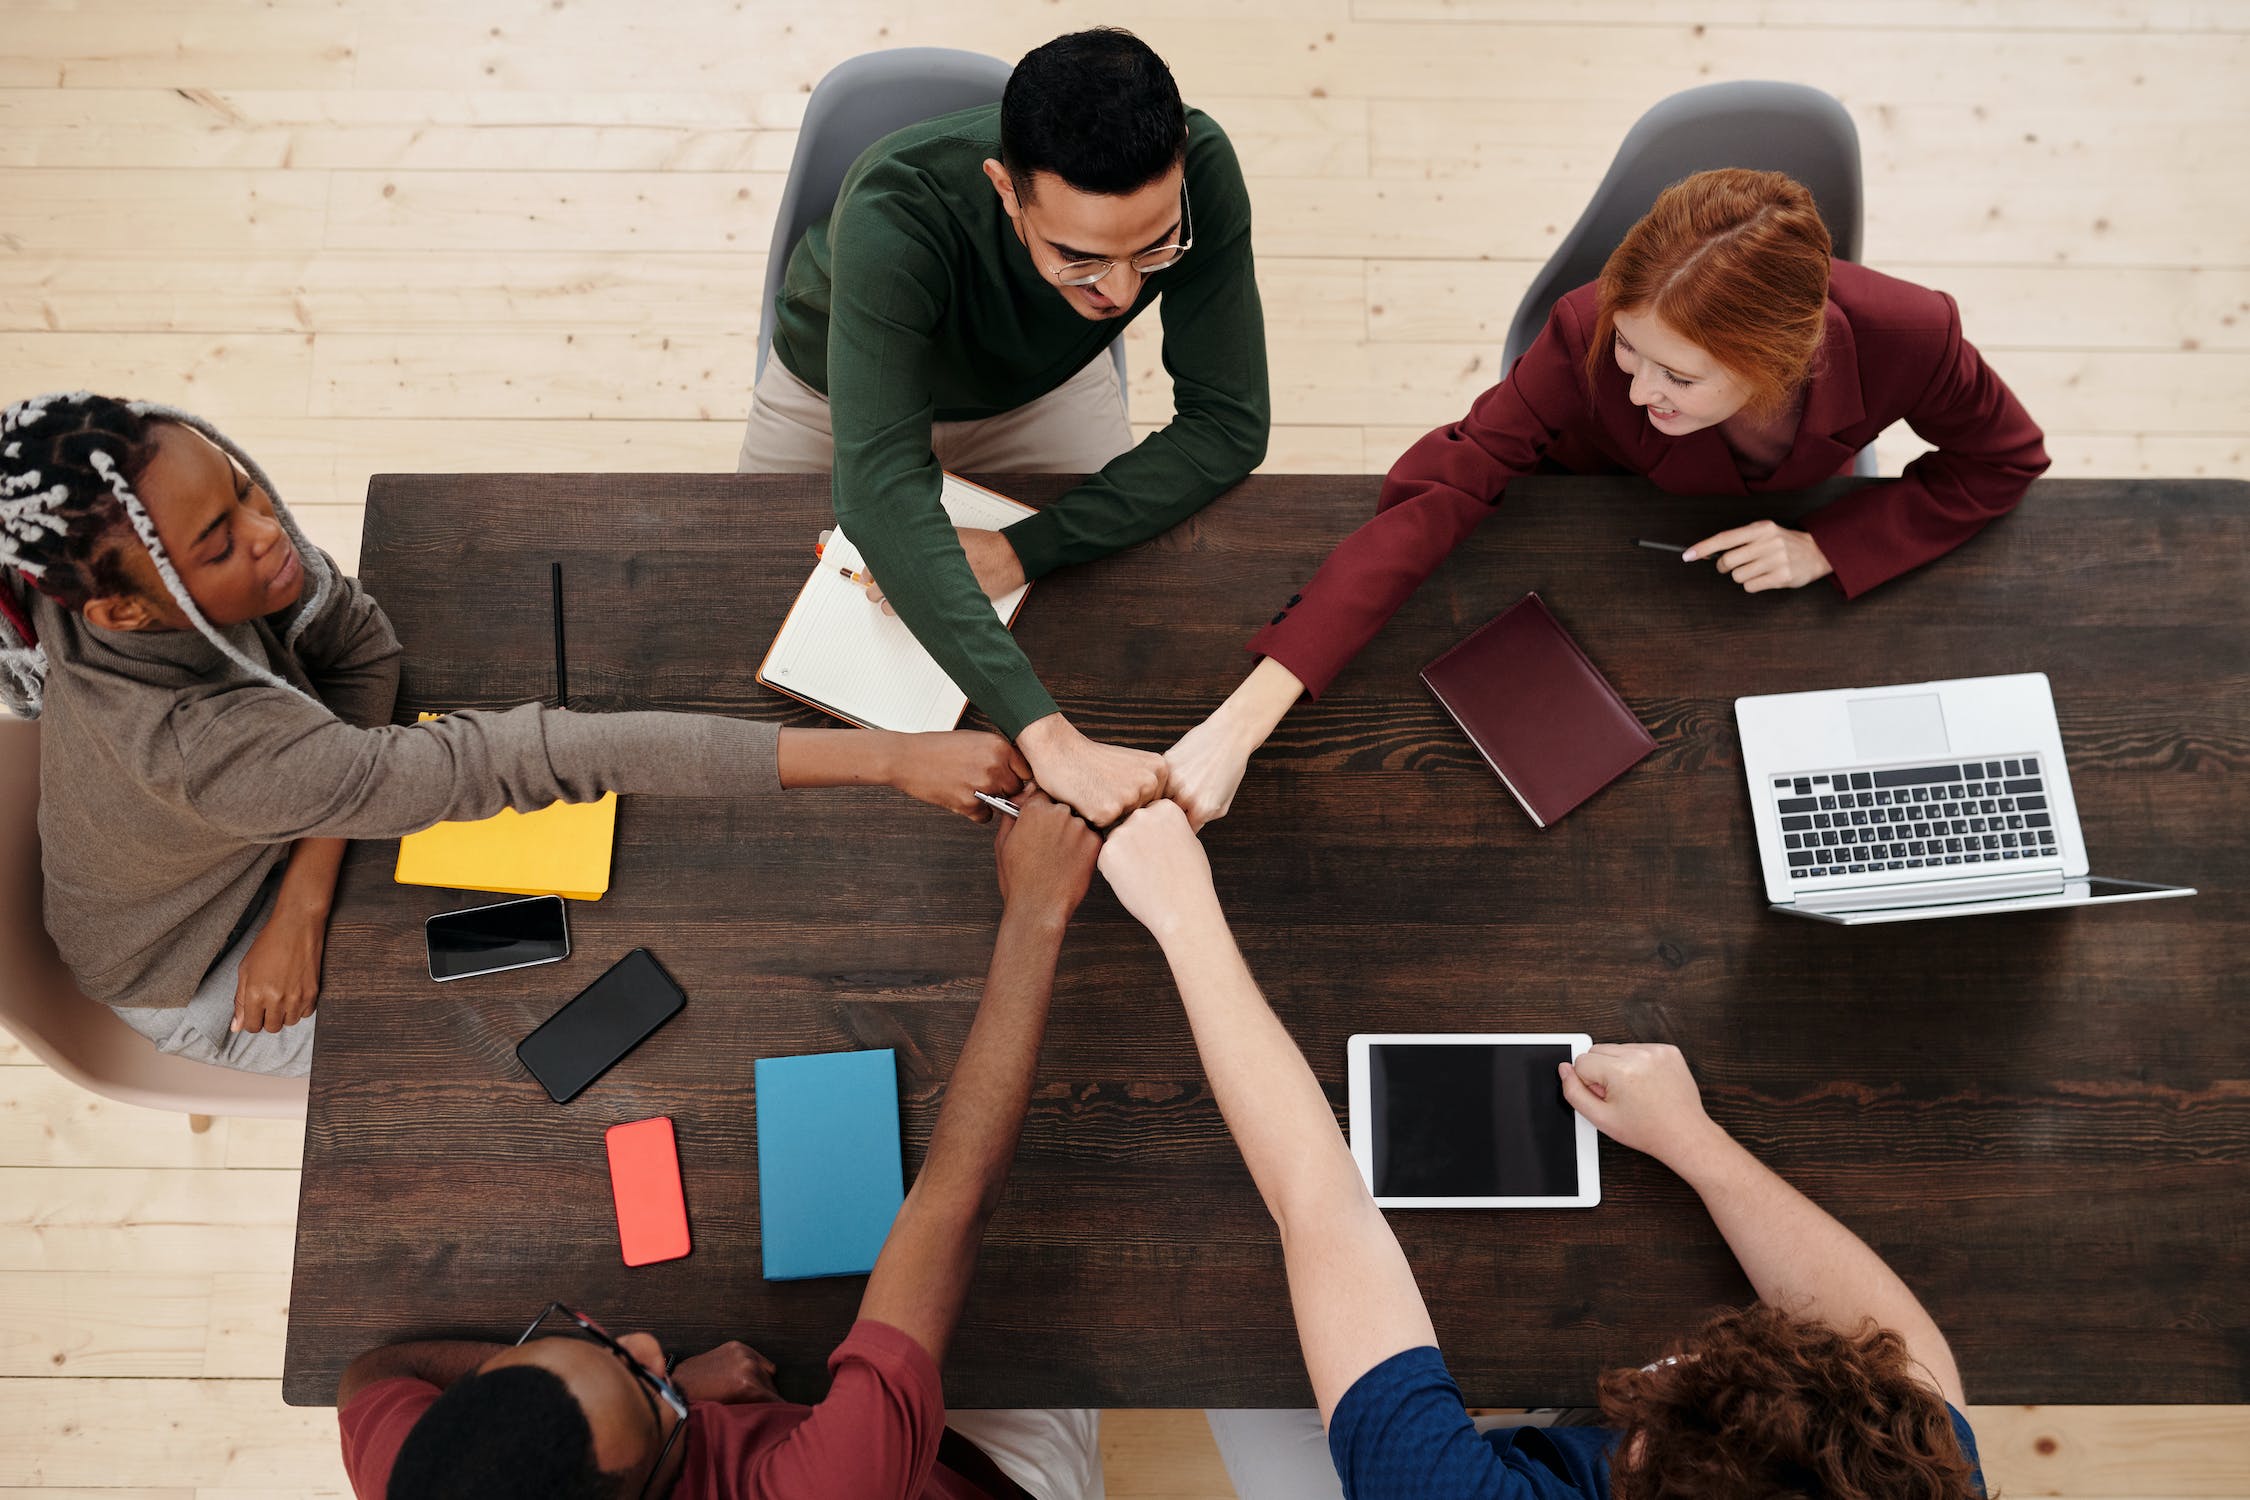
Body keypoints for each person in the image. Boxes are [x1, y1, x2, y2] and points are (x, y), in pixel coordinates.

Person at [0, 392, 1029, 1076]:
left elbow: (362, 650)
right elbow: (540, 756)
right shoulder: (200, 745)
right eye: (218, 542)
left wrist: (312, 884)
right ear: (123, 613)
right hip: (195, 964)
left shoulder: (175, 564)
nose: (269, 533)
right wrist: (889, 755)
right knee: (503, 1045)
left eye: (241, 484)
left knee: (572, 930)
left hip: (260, 838)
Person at [1096, 798, 1988, 1500]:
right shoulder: (1902, 1468)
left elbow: (1318, 1203)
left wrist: (1181, 912)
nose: (1672, 1358)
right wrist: (1695, 1142)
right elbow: (1906, 1357)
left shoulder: (1438, 1495)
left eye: (1681, 1396)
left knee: (1235, 1365)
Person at [1163, 167, 2050, 829]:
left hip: (1751, 588)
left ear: (1783, 361)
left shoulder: (1913, 333)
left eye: (1680, 376)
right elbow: (1443, 491)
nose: (1637, 391)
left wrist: (1829, 545)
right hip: (1587, 514)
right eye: (1631, 351)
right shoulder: (1585, 328)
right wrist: (1242, 723)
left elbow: (2004, 459)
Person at [334, 792, 1107, 1500]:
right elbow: (953, 1206)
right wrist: (1038, 904)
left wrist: (673, 1393)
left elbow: (371, 1376)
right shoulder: (829, 1490)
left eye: (588, 1344)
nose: (643, 1341)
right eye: (644, 1383)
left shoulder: (425, 1479)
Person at [740, 27, 1270, 827]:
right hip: (837, 385)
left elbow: (1229, 423)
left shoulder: (1205, 172)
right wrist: (1048, 739)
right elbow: (882, 496)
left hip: (1039, 391)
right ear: (1004, 188)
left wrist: (1025, 548)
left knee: (1117, 612)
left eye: (1155, 249)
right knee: (739, 596)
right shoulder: (892, 206)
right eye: (1080, 258)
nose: (1122, 295)